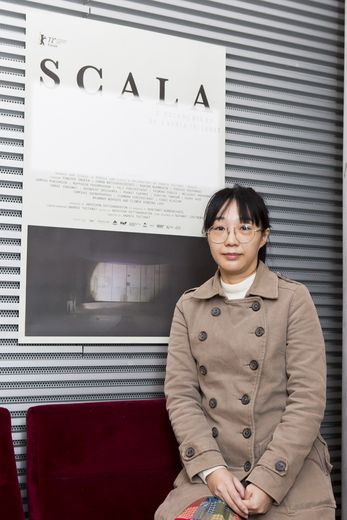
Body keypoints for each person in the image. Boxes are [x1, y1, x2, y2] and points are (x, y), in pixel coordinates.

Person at [155, 185, 336, 520]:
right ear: (208, 236)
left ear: (263, 236)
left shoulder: (294, 300)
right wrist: (211, 469)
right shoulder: (189, 306)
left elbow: (308, 398)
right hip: (216, 470)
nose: (231, 239)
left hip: (287, 470)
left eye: (244, 227)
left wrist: (269, 481)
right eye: (220, 228)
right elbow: (181, 395)